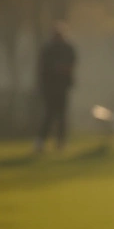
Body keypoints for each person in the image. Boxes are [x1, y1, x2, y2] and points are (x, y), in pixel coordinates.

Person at [36, 21, 77, 153]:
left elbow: (72, 64)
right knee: (49, 115)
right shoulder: (48, 50)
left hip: (62, 87)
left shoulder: (68, 48)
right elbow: (44, 68)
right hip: (50, 87)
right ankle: (42, 141)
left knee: (61, 116)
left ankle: (60, 142)